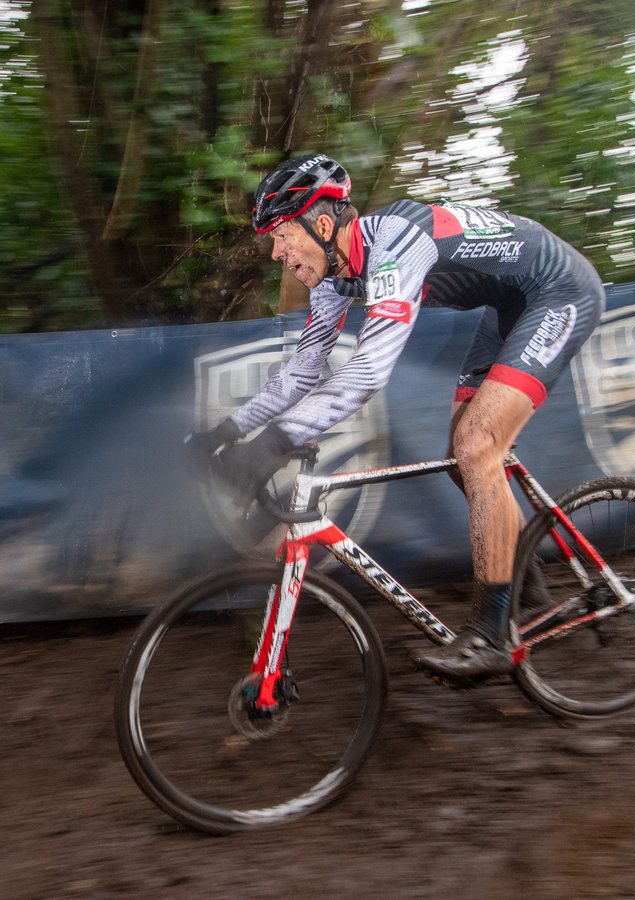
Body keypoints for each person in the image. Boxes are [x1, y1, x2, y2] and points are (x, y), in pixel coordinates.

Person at [190, 152, 605, 680]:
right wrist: (226, 433)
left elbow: (366, 372)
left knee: (478, 446)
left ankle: (490, 636)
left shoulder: (394, 244)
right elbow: (303, 369)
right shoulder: (333, 275)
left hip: (559, 291)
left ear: (321, 224)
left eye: (281, 236)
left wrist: (271, 446)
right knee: (462, 460)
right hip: (511, 308)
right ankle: (526, 589)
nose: (276, 253)